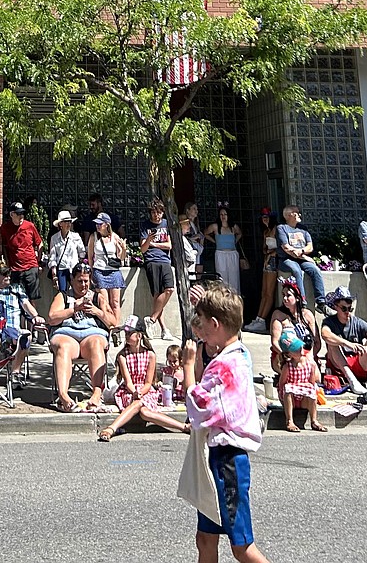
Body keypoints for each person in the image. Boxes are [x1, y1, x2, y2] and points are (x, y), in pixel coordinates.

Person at [171, 283, 271, 563]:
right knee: (205, 538)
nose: (197, 330)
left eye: (201, 324)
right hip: (219, 457)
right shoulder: (238, 354)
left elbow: (199, 409)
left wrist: (188, 367)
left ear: (215, 324)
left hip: (228, 460)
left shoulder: (225, 365)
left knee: (242, 547)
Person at [47, 262, 113, 412]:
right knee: (63, 347)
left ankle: (97, 393)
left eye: (86, 281)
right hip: (67, 334)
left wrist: (97, 312)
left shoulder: (98, 298)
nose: (83, 285)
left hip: (92, 335)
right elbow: (51, 318)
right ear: (72, 280)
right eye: (79, 281)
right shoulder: (62, 296)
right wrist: (73, 309)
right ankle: (63, 395)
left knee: (96, 343)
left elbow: (113, 323)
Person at [98, 316, 159, 440]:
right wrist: (135, 392)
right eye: (125, 332)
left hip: (146, 391)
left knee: (144, 412)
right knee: (138, 403)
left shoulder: (150, 355)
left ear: (139, 336)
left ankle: (183, 427)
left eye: (130, 333)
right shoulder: (122, 356)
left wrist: (141, 392)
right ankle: (112, 428)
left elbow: (148, 382)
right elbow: (128, 381)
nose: (126, 335)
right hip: (128, 391)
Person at [320, 287, 367, 397]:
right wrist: (346, 343)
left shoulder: (357, 322)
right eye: (344, 309)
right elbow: (325, 335)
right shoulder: (329, 321)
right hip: (339, 365)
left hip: (358, 362)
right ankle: (352, 380)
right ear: (336, 307)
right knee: (332, 343)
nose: (347, 312)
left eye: (350, 309)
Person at [140, 198, 176, 338]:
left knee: (169, 289)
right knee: (156, 295)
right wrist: (149, 240)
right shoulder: (145, 226)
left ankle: (152, 319)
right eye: (154, 213)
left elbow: (169, 245)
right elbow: (143, 249)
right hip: (151, 261)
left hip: (165, 261)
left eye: (159, 212)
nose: (157, 215)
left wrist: (154, 244)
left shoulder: (166, 224)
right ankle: (163, 329)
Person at [274, 207, 326, 305]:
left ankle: (321, 302)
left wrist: (302, 251)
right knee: (296, 271)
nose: (300, 215)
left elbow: (310, 247)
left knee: (315, 270)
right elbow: (287, 248)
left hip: (301, 259)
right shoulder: (281, 228)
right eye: (297, 213)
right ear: (289, 215)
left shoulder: (303, 229)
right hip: (286, 259)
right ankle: (302, 302)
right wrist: (305, 257)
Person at [278, 330, 326, 432]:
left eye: (300, 347)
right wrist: (281, 397)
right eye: (295, 350)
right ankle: (289, 420)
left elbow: (312, 382)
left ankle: (314, 420)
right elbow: (282, 383)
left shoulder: (310, 364)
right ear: (288, 354)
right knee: (288, 389)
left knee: (312, 390)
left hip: (304, 399)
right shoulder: (288, 366)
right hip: (292, 400)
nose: (299, 350)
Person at [87, 211, 127, 330]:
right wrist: (91, 270)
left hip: (113, 271)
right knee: (104, 302)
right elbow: (90, 256)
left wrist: (124, 248)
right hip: (99, 271)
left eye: (100, 224)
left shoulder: (114, 237)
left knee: (115, 302)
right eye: (97, 224)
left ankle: (116, 327)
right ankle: (107, 325)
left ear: (107, 225)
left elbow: (121, 257)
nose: (98, 226)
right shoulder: (93, 237)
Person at [247, 209, 277, 332]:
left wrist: (270, 254)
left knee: (269, 293)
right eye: (263, 217)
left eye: (267, 217)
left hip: (274, 261)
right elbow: (264, 248)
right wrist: (267, 253)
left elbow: (279, 248)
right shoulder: (266, 231)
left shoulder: (276, 229)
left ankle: (262, 319)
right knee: (263, 292)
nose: (265, 219)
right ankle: (258, 318)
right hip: (266, 261)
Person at [46, 210, 86, 293]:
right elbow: (52, 257)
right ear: (60, 224)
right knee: (62, 293)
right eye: (66, 222)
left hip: (74, 268)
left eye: (69, 222)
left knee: (76, 292)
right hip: (62, 269)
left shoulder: (76, 236)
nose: (68, 224)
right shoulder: (54, 238)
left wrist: (79, 264)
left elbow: (82, 252)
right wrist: (54, 274)